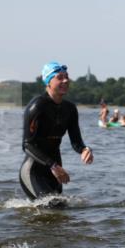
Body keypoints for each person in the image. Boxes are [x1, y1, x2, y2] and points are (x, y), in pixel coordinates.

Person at [19, 62, 94, 200]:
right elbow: (27, 145)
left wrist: (84, 149)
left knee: (59, 208)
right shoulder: (37, 106)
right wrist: (53, 165)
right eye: (60, 77)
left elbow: (76, 141)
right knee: (50, 207)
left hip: (55, 169)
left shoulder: (70, 108)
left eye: (66, 77)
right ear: (48, 82)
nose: (65, 80)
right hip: (33, 170)